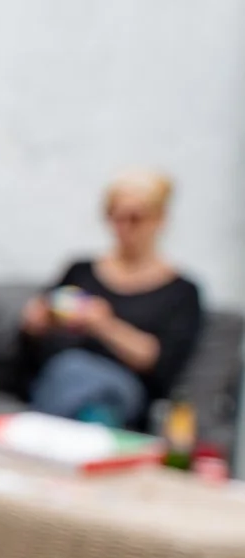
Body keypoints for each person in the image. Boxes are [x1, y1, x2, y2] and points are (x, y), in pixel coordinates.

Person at [17, 170, 202, 428]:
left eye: (135, 218)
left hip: (122, 389)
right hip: (60, 374)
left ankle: (45, 438)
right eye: (115, 217)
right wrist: (39, 319)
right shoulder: (80, 270)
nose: (123, 228)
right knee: (70, 372)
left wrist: (104, 325)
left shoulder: (182, 291)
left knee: (92, 387)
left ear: (160, 219)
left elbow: (158, 360)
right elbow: (33, 329)